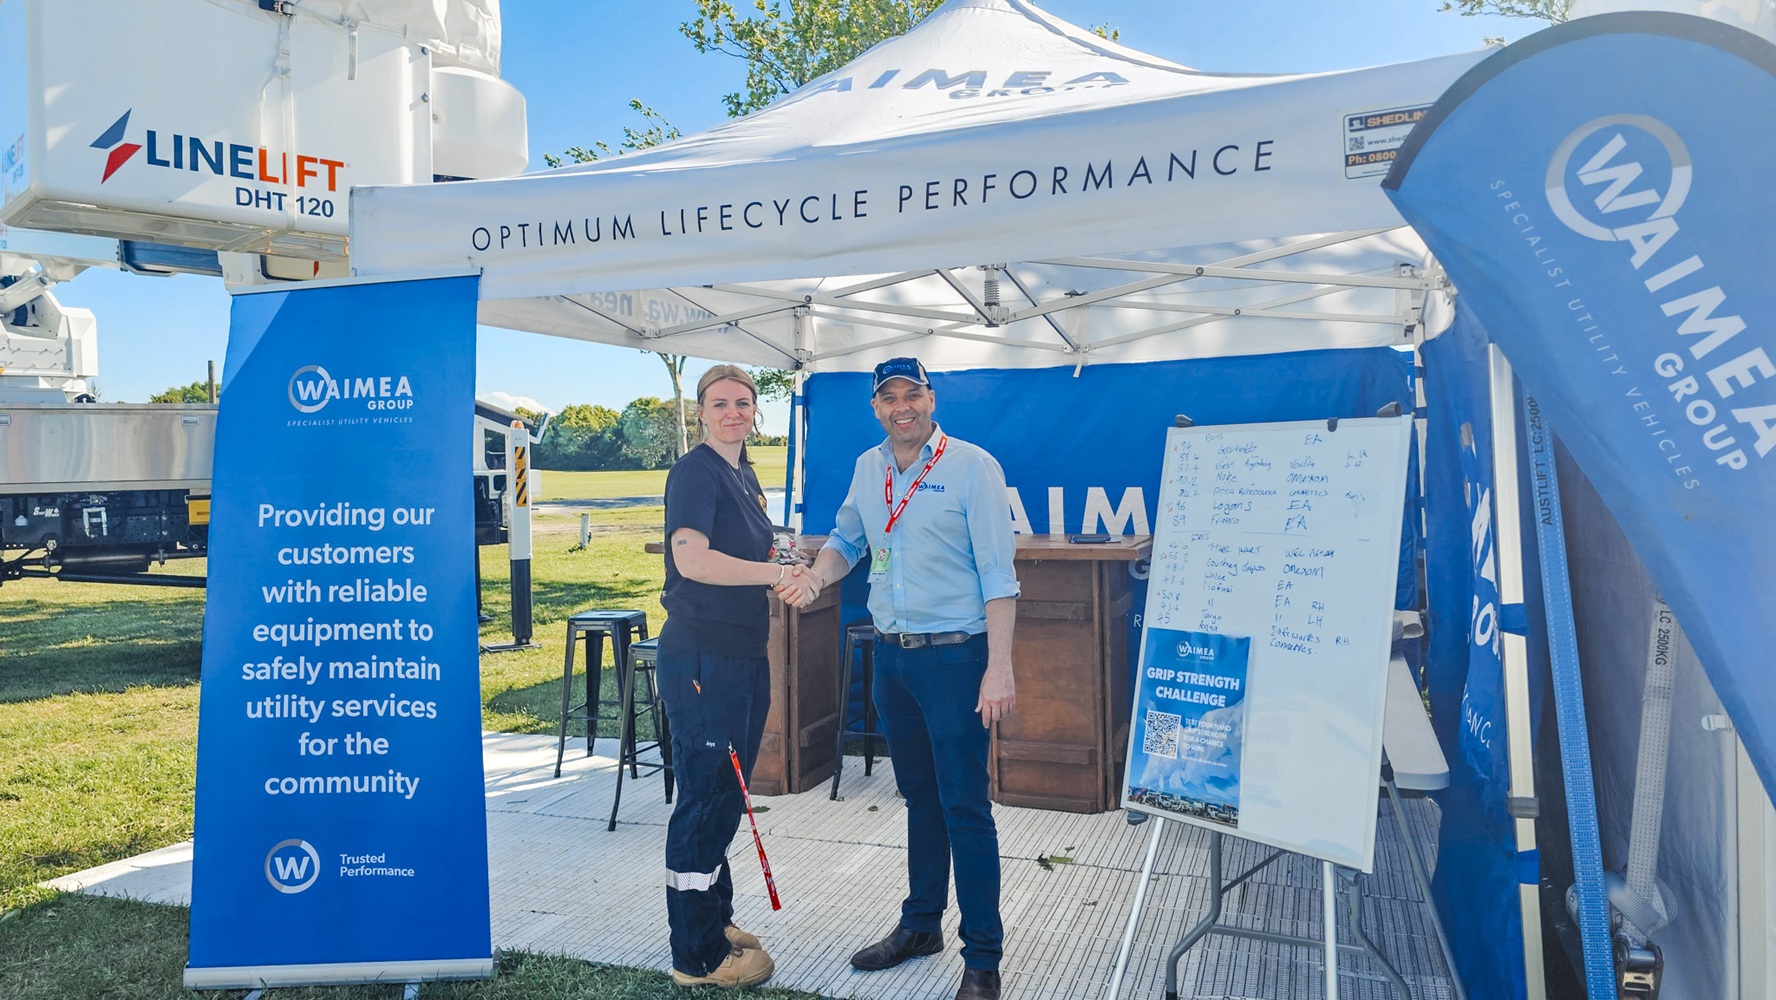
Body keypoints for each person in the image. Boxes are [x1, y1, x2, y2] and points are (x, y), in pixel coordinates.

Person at [804, 356, 1019, 1000]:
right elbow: (846, 540)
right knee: (919, 800)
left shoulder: (972, 467)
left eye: (913, 395)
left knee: (965, 807)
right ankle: (921, 924)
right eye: (889, 397)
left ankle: (982, 957)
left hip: (956, 660)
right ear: (876, 407)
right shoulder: (870, 468)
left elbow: (999, 578)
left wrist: (999, 668)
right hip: (893, 659)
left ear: (932, 399)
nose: (903, 406)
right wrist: (816, 575)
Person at [657, 364, 815, 989]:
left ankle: (714, 920)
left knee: (727, 794)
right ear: (700, 412)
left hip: (743, 653)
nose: (732, 412)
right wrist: (776, 577)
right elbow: (691, 559)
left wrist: (789, 558)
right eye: (719, 403)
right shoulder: (695, 470)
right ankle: (695, 956)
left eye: (743, 403)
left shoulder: (744, 474)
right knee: (703, 800)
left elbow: (759, 545)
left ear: (755, 412)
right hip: (702, 656)